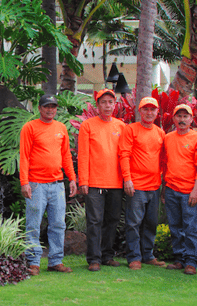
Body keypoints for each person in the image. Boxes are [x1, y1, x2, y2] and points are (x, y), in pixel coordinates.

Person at [20, 94, 78, 276]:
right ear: (40, 108)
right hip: (36, 184)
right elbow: (24, 157)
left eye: (53, 106)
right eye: (47, 106)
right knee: (33, 223)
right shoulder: (30, 127)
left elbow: (66, 156)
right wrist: (24, 183)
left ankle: (55, 261)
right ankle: (33, 262)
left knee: (58, 224)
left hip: (57, 185)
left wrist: (73, 179)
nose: (50, 109)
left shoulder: (61, 128)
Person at [77, 89, 126, 272]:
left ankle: (107, 255)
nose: (107, 106)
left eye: (110, 102)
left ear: (115, 105)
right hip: (95, 183)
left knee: (112, 220)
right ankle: (94, 259)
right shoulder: (88, 125)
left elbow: (125, 155)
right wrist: (84, 181)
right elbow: (83, 155)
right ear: (97, 105)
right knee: (95, 220)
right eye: (103, 102)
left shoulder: (121, 126)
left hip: (116, 183)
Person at [118, 97, 166, 270]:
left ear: (157, 112)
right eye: (145, 109)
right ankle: (134, 257)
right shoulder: (131, 130)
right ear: (140, 111)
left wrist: (163, 183)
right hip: (136, 186)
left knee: (151, 222)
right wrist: (127, 179)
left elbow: (163, 160)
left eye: (152, 109)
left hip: (154, 186)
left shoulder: (160, 133)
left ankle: (148, 255)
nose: (149, 112)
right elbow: (124, 154)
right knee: (133, 223)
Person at [162, 104, 197, 275]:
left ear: (191, 119)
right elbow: (165, 164)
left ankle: (191, 261)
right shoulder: (168, 138)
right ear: (173, 119)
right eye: (178, 116)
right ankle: (179, 259)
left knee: (189, 227)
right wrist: (164, 189)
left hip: (189, 190)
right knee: (175, 226)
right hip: (171, 188)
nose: (182, 120)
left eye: (185, 116)